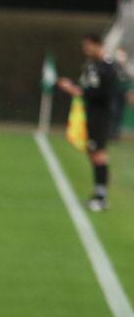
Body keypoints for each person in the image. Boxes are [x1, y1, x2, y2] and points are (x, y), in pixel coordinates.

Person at [58, 33, 119, 211]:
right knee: (93, 153)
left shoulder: (106, 68)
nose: (85, 50)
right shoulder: (94, 66)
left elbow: (102, 93)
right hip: (92, 115)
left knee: (99, 154)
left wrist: (74, 91)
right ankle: (98, 194)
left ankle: (101, 197)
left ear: (96, 45)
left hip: (100, 116)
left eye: (87, 46)